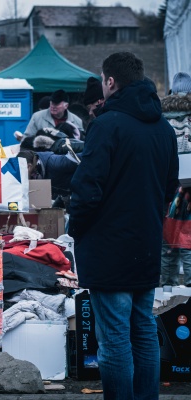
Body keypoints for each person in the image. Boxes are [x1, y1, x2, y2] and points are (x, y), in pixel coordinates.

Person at [68, 52, 179, 399]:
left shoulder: (106, 124)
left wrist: (76, 229)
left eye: (102, 81)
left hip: (109, 245)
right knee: (143, 330)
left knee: (115, 337)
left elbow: (87, 189)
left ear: (110, 82)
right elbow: (170, 187)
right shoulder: (164, 128)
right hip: (145, 243)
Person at [160, 71, 191, 287]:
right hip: (189, 190)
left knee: (167, 243)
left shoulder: (160, 118)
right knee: (189, 242)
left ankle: (166, 290)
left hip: (167, 188)